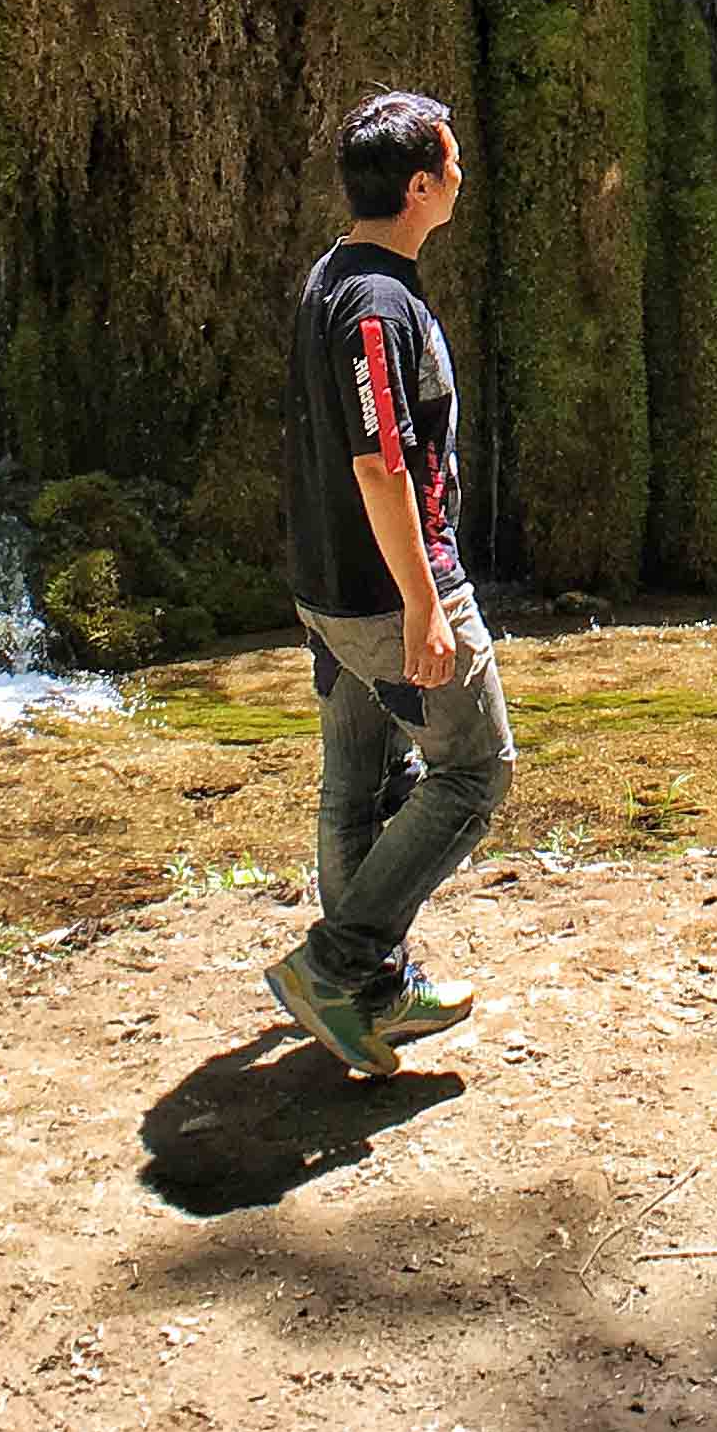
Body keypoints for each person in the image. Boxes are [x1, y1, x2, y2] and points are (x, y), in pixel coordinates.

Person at [265, 89, 513, 1075]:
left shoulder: (333, 273)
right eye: (451, 165)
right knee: (474, 771)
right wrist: (423, 603)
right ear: (419, 186)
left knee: (365, 776)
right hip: (385, 592)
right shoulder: (378, 305)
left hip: (326, 588)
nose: (461, 177)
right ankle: (337, 963)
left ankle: (367, 993)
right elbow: (380, 463)